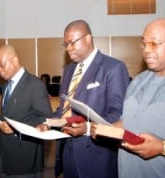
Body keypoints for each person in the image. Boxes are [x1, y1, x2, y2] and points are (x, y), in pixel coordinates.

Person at [91, 17, 165, 178]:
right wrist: (107, 129)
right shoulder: (138, 82)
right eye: (144, 43)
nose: (147, 50)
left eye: (154, 43)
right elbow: (129, 121)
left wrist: (163, 147)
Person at [49, 20, 130, 178]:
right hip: (67, 150)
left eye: (72, 42)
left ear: (88, 38)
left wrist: (87, 128)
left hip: (97, 155)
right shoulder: (68, 70)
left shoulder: (113, 67)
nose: (69, 48)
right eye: (65, 44)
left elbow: (119, 114)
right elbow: (63, 109)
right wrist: (48, 123)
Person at [0, 44, 52, 178]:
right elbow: (9, 114)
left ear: (14, 60)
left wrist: (15, 127)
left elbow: (46, 117)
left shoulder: (35, 85)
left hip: (25, 158)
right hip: (5, 155)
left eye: (2, 65)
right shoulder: (6, 85)